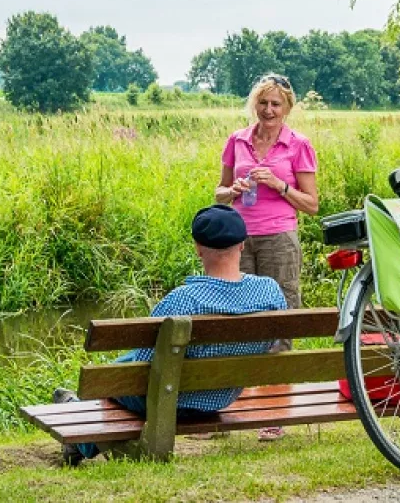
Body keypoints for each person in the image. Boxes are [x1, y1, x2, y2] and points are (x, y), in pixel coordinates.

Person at [54, 204, 286, 465]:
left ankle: (78, 431)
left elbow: (144, 364)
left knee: (115, 378)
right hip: (224, 397)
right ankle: (79, 434)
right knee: (120, 371)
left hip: (172, 400)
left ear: (198, 249)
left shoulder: (182, 301)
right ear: (242, 245)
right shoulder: (269, 291)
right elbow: (272, 343)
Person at [215, 73, 318, 440]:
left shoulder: (298, 144)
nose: (269, 110)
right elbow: (218, 193)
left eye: (276, 104)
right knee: (235, 320)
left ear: (287, 107)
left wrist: (279, 184)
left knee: (279, 320)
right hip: (239, 239)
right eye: (263, 102)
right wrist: (233, 189)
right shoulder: (237, 140)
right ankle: (223, 408)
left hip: (279, 240)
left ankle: (274, 412)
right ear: (254, 104)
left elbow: (312, 204)